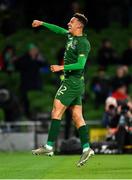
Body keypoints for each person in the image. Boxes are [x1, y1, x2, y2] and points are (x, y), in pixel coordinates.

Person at [31, 13, 94, 167]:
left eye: (71, 22)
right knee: (77, 116)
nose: (68, 23)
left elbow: (80, 65)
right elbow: (59, 30)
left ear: (79, 25)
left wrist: (61, 67)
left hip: (72, 82)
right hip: (76, 83)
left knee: (56, 109)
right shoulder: (71, 37)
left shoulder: (83, 43)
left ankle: (49, 146)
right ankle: (87, 148)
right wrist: (42, 23)